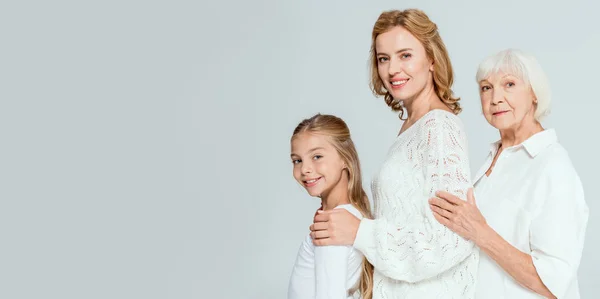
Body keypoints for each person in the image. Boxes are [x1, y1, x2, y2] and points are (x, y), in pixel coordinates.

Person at [309, 9, 479, 298]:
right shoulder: (413, 128)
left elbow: (451, 239)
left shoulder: (438, 127)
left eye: (405, 55)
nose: (392, 70)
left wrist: (360, 232)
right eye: (383, 58)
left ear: (432, 59)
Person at [428, 49, 589, 299]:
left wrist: (480, 232)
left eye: (509, 84)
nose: (495, 98)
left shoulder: (552, 166)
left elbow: (553, 283)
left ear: (534, 94)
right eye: (486, 88)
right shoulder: (495, 157)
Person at [287, 114, 374, 299]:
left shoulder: (334, 224)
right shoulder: (348, 216)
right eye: (297, 160)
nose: (304, 169)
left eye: (317, 156)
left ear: (345, 158)